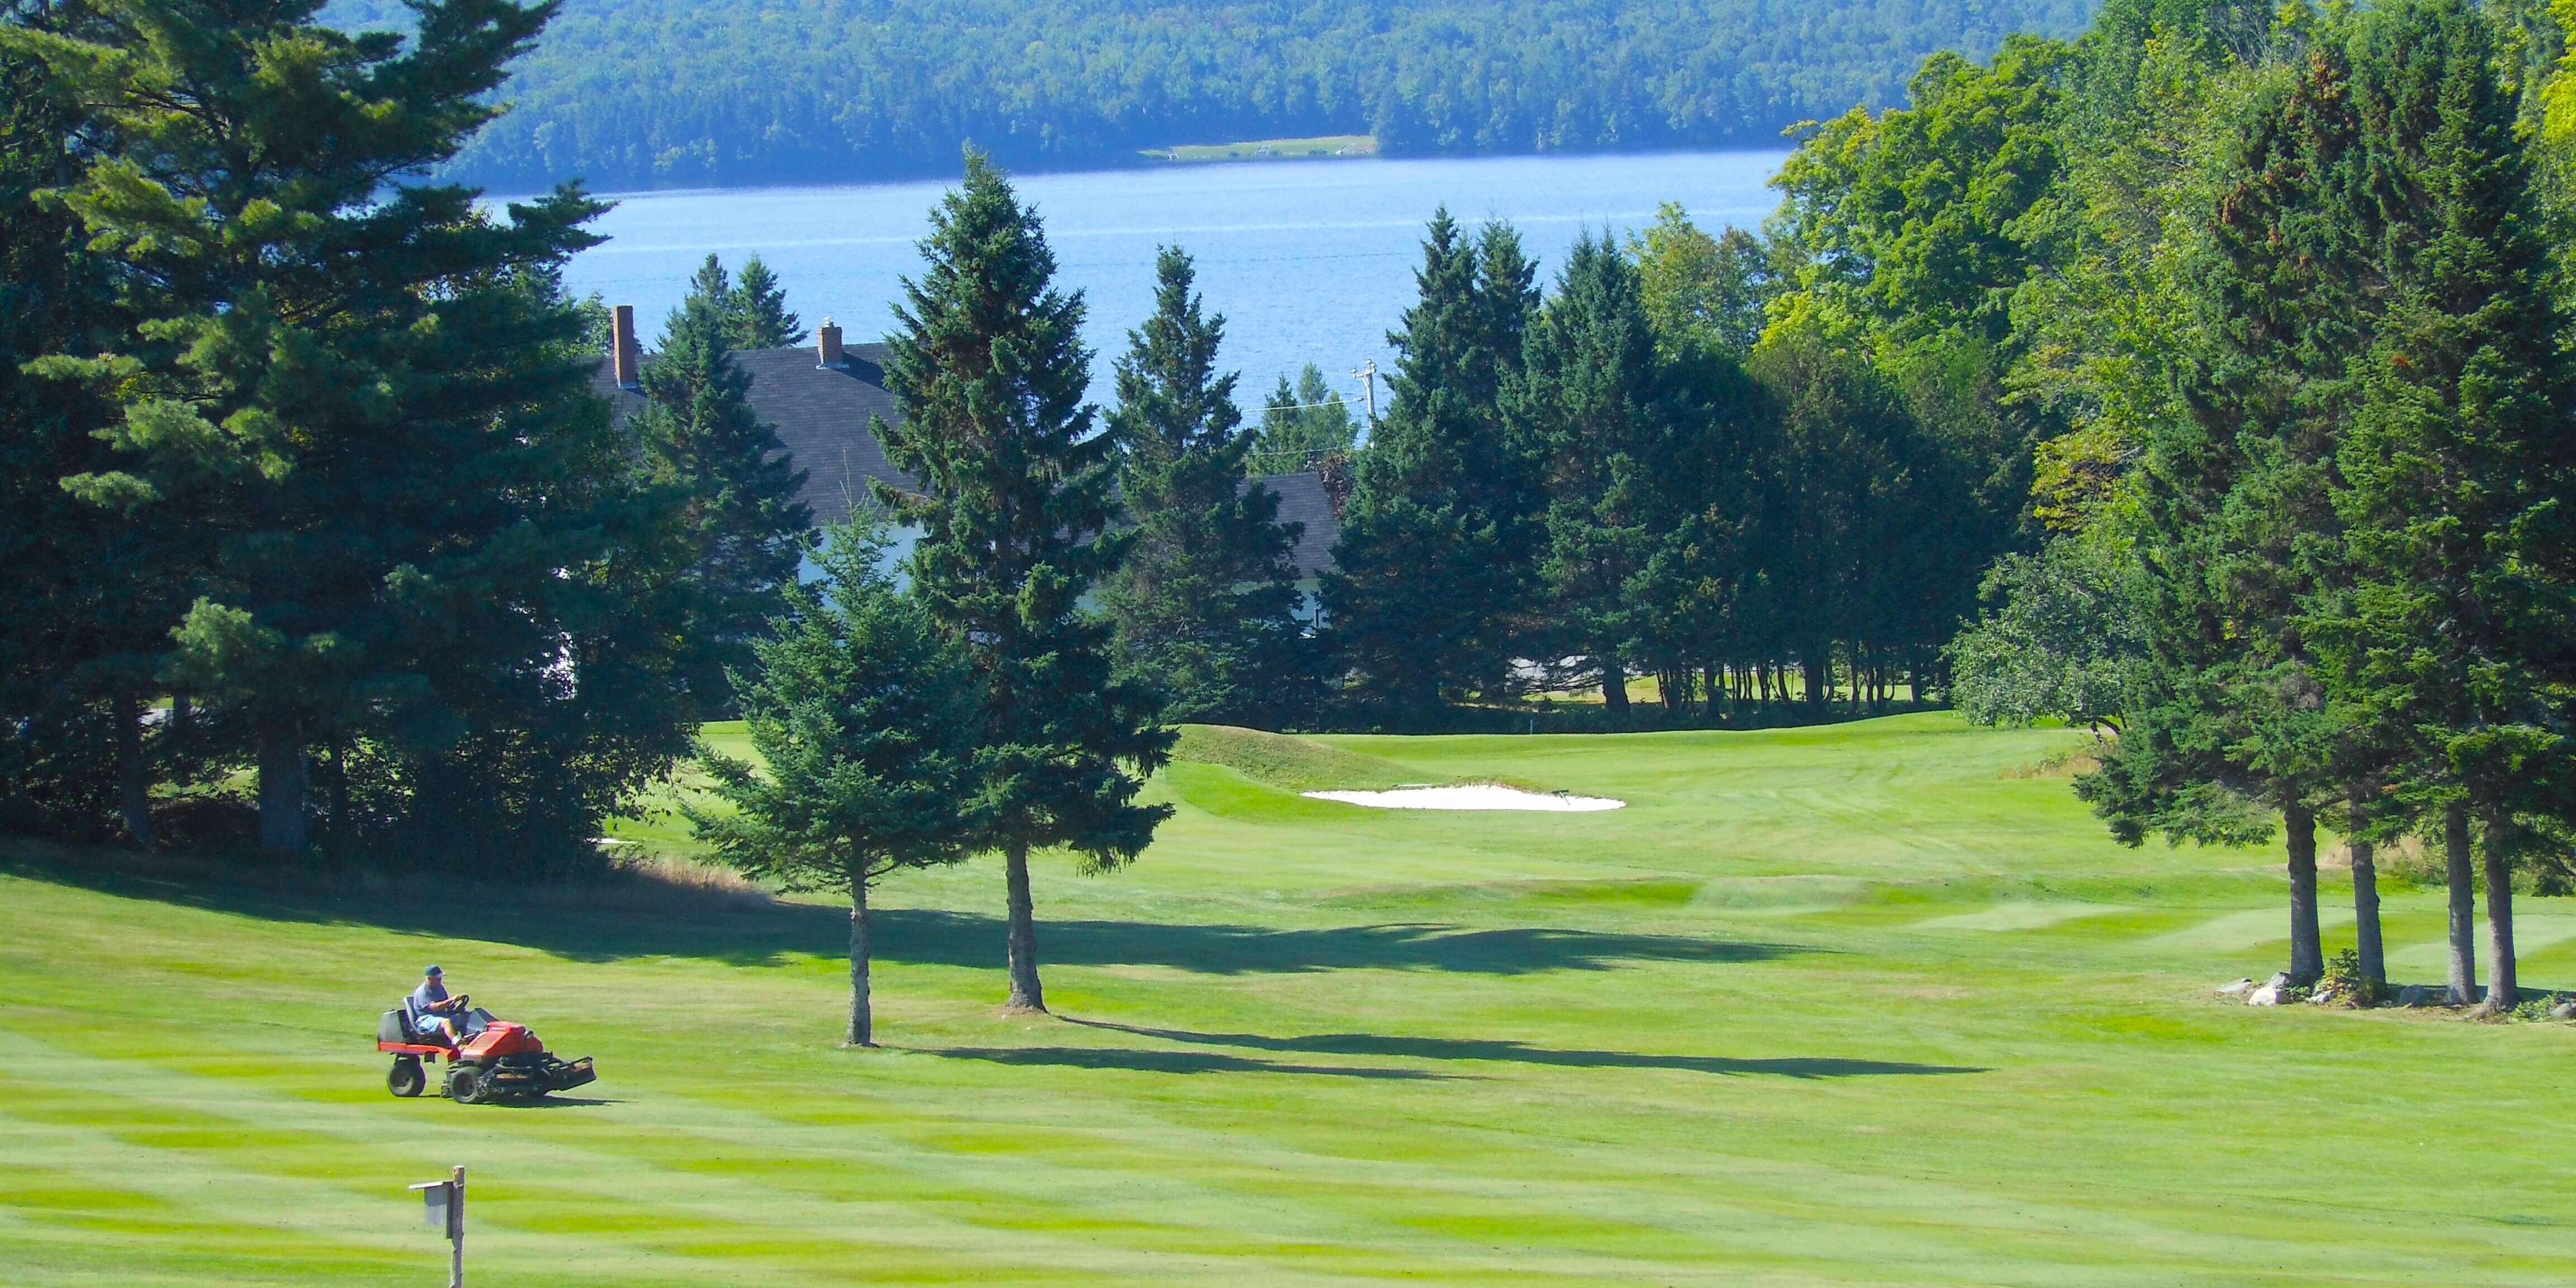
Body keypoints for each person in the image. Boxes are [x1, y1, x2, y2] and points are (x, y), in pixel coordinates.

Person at [409, 965, 466, 1044]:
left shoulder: (440, 988)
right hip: (426, 1019)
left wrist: (456, 1006)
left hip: (441, 1016)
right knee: (446, 1022)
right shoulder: (423, 992)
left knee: (465, 1017)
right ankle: (458, 1043)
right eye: (438, 978)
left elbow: (447, 1004)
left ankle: (470, 1040)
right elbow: (434, 1008)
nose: (441, 980)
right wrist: (452, 999)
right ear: (430, 979)